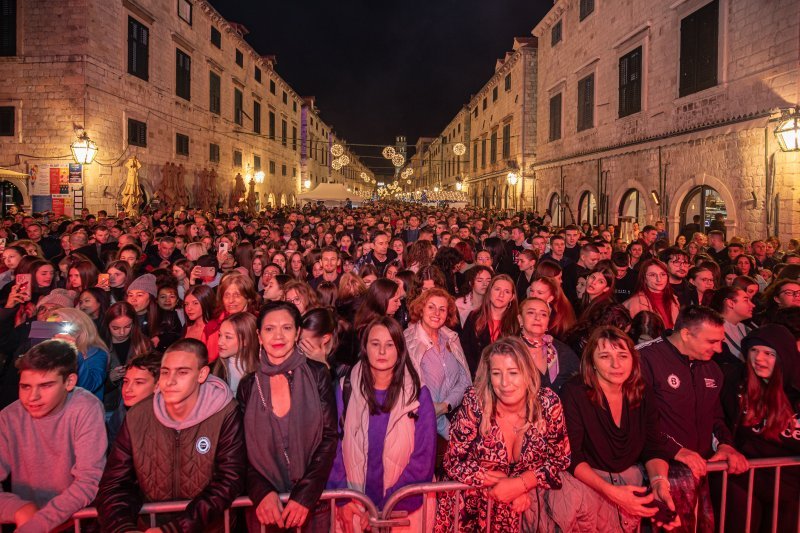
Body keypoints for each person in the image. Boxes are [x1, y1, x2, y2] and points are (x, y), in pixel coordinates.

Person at [97, 339, 246, 532]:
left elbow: (230, 479)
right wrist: (123, 528)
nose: (170, 381)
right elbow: (114, 483)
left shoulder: (225, 413)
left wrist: (176, 529)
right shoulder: (138, 416)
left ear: (202, 374)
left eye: (182, 372)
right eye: (165, 372)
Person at [434, 337, 571, 532]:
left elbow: (560, 460)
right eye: (497, 374)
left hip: (514, 514)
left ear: (527, 373)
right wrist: (509, 485)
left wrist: (522, 483)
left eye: (513, 373)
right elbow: (453, 462)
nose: (505, 383)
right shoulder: (476, 401)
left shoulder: (548, 404)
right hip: (465, 510)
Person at [553, 326, 679, 532]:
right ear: (591, 362)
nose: (616, 364)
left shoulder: (642, 390)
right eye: (604, 356)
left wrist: (659, 483)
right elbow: (571, 455)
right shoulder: (575, 391)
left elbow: (653, 446)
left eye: (622, 355)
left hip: (630, 490)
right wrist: (611, 492)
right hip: (586, 490)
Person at [638, 305, 749, 531]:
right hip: (658, 475)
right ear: (686, 334)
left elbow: (715, 415)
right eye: (711, 341)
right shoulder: (644, 358)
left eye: (721, 341)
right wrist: (676, 450)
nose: (719, 349)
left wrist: (726, 444)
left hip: (700, 473)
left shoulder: (712, 369)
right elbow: (638, 418)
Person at [328, 317, 437, 531]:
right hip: (355, 509)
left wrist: (393, 503)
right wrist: (342, 498)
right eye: (375, 344)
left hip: (403, 511)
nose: (382, 352)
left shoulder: (418, 394)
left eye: (390, 345)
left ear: (400, 350)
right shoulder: (345, 389)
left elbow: (424, 457)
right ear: (365, 347)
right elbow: (333, 447)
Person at [237, 302, 338, 531]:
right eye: (270, 329)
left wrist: (304, 495)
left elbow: (329, 437)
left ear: (298, 333)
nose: (278, 335)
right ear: (259, 336)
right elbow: (240, 449)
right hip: (265, 510)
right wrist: (261, 492)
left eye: (287, 328)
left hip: (312, 506)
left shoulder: (318, 374)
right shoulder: (248, 385)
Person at [0, 340, 106, 532]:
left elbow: (89, 480)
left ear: (69, 382)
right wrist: (19, 509)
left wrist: (38, 523)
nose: (33, 396)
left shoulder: (86, 407)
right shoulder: (9, 417)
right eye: (25, 387)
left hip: (78, 524)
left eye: (46, 385)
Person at [718, 325, 800, 532]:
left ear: (784, 356)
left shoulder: (796, 390)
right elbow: (717, 417)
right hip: (744, 479)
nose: (759, 359)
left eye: (769, 353)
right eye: (753, 351)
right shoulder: (736, 381)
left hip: (788, 487)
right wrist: (726, 445)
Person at [404, 288, 471, 442]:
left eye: (442, 309)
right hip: (420, 427)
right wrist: (451, 434)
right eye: (431, 307)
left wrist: (446, 405)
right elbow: (411, 393)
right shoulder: (408, 342)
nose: (437, 313)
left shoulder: (451, 338)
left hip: (453, 415)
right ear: (421, 309)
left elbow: (464, 379)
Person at [462, 274, 520, 377]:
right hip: (476, 376)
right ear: (489, 292)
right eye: (497, 289)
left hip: (505, 379)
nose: (501, 295)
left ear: (512, 297)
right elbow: (465, 349)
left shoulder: (516, 323)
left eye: (506, 292)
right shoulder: (473, 317)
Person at [518, 297, 579, 394]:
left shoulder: (563, 351)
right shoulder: (509, 350)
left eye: (543, 314)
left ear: (548, 322)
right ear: (520, 319)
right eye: (531, 312)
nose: (537, 318)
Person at [49, 307, 110, 402]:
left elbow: (89, 386)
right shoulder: (47, 351)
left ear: (80, 330)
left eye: (62, 326)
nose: (57, 333)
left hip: (83, 409)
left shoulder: (97, 353)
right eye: (53, 327)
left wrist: (75, 353)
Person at [623, 259, 680, 329]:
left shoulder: (674, 300)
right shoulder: (633, 304)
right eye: (652, 275)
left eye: (663, 274)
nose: (659, 279)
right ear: (644, 279)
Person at [213, 311, 259, 394]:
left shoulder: (261, 371)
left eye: (228, 337)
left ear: (246, 341)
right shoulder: (212, 369)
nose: (220, 342)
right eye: (220, 335)